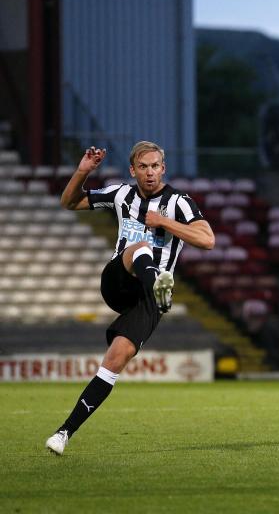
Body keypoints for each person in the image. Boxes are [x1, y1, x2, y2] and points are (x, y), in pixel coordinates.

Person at [45, 141, 215, 456]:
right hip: (119, 281)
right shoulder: (121, 194)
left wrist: (164, 222)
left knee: (116, 359)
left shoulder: (180, 203)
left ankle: (64, 432)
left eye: (155, 166)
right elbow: (69, 202)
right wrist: (83, 171)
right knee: (140, 248)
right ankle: (159, 286)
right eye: (143, 167)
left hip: (146, 301)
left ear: (163, 169)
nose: (150, 173)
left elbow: (207, 240)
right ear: (132, 170)